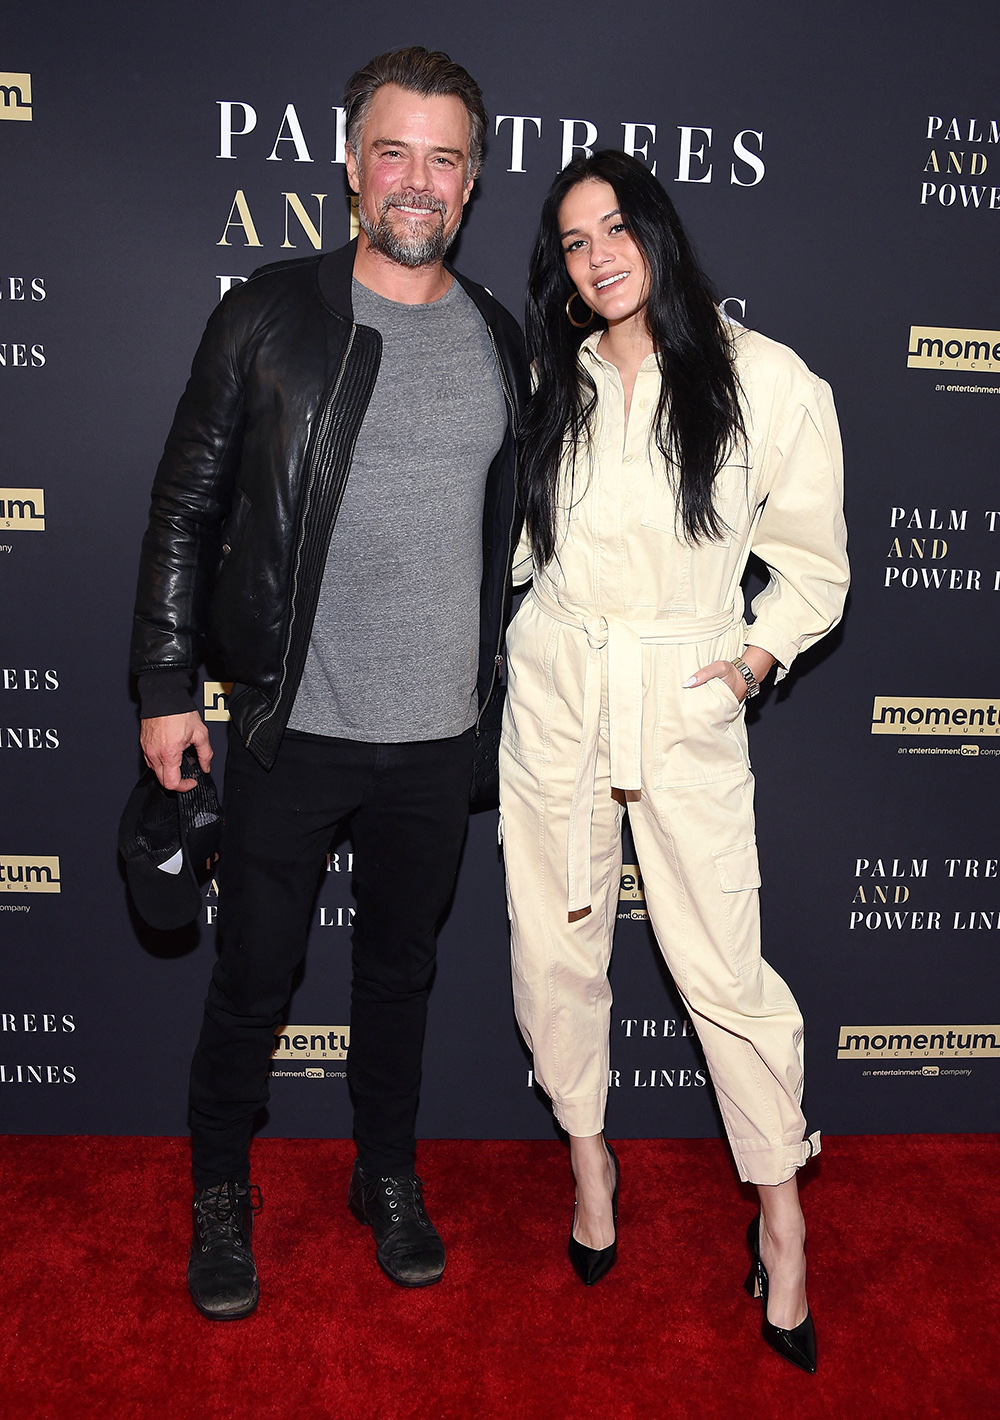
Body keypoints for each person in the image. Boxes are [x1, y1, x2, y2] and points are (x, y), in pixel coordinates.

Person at [130, 46, 528, 1318]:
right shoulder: (267, 315)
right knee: (255, 977)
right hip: (290, 725)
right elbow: (186, 506)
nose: (417, 181)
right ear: (351, 168)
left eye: (444, 159)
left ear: (471, 184)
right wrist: (163, 684)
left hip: (436, 739)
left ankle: (388, 1175)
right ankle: (218, 1190)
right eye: (393, 153)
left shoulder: (502, 341)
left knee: (400, 976)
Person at [500, 152, 848, 1372]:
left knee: (721, 965)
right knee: (554, 939)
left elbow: (812, 563)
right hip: (555, 690)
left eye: (614, 229)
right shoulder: (555, 376)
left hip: (686, 696)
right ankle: (589, 1160)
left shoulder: (766, 379)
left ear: (658, 229)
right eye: (573, 240)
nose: (597, 256)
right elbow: (516, 551)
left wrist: (752, 661)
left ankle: (782, 1217)